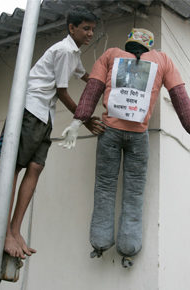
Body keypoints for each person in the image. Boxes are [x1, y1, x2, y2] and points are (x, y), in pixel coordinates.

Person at [59, 28, 190, 267]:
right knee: (134, 193)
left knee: (105, 188)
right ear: (149, 46)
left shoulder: (110, 55)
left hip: (109, 132)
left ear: (128, 42)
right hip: (139, 136)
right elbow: (181, 99)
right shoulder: (163, 60)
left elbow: (93, 90)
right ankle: (129, 248)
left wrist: (78, 121)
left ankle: (100, 243)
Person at [0, 6, 105, 260]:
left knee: (36, 168)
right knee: (15, 168)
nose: (90, 34)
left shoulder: (73, 54)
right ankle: (4, 232)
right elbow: (62, 92)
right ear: (71, 28)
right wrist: (83, 120)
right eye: (86, 29)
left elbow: (85, 76)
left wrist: (106, 84)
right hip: (31, 110)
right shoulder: (64, 50)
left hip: (45, 114)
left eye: (92, 29)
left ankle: (15, 229)